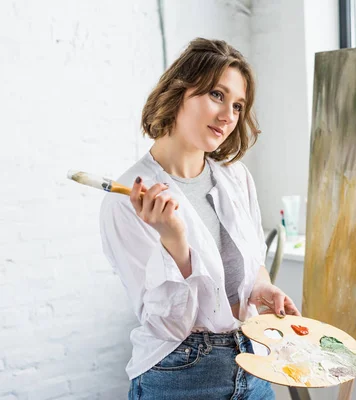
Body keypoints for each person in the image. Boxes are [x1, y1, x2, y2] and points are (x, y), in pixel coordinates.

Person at [99, 38, 300, 399]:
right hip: (180, 375)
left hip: (253, 364)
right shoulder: (127, 198)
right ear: (178, 92)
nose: (228, 116)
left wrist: (262, 288)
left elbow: (252, 263)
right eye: (217, 96)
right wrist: (174, 243)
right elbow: (167, 324)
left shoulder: (236, 177)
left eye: (237, 105)